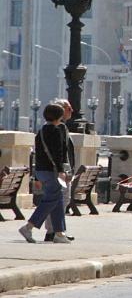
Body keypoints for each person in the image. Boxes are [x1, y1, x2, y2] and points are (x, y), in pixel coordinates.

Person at [19, 104, 71, 244]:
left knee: (57, 200)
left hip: (41, 170)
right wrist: (61, 171)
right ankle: (28, 227)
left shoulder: (41, 131)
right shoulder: (56, 131)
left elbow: (38, 153)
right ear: (59, 117)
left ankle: (59, 233)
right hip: (52, 171)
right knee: (50, 201)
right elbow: (58, 153)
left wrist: (37, 175)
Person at [44, 99, 76, 242]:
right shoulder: (56, 128)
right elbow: (58, 152)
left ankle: (58, 230)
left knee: (63, 200)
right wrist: (62, 171)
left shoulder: (62, 127)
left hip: (64, 171)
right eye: (69, 108)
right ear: (61, 110)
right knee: (57, 201)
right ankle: (52, 231)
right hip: (58, 172)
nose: (72, 111)